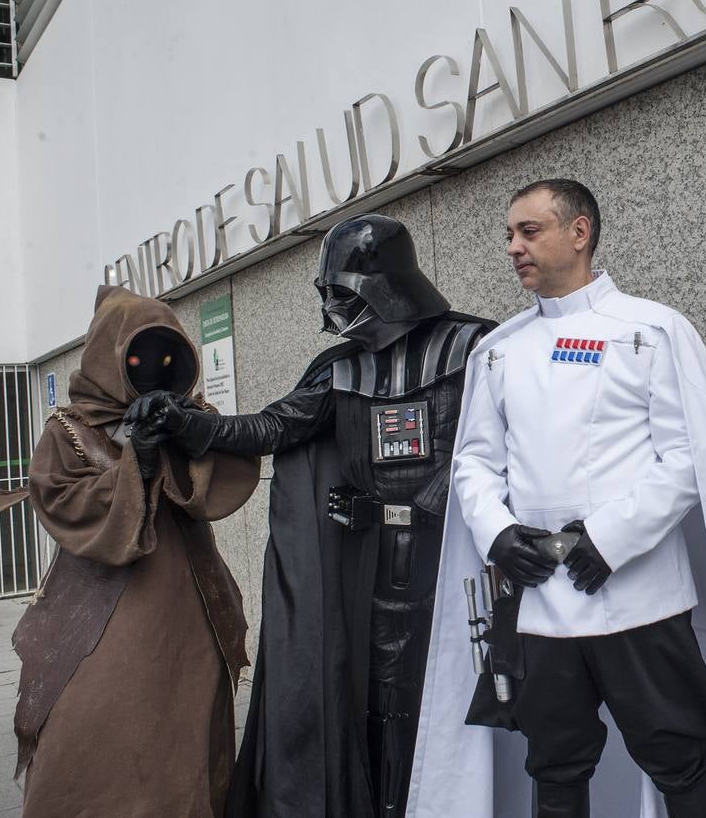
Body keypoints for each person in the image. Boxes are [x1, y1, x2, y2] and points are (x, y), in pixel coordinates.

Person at [407, 179, 706, 818]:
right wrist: (497, 534)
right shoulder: (498, 352)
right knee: (555, 763)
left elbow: (690, 457)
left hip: (640, 598)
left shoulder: (653, 330)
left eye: (529, 231)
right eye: (510, 235)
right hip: (541, 603)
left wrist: (611, 538)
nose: (514, 247)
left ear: (579, 233)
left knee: (679, 760)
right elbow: (475, 463)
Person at [134, 215, 492, 817]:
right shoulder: (340, 367)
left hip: (458, 559)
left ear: (385, 284)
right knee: (380, 699)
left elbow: (506, 442)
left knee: (455, 696)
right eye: (327, 294)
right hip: (373, 567)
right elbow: (275, 425)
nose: (332, 307)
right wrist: (186, 421)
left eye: (342, 292)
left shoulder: (477, 347)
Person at [13, 285, 259, 817]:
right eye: (137, 356)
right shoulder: (68, 429)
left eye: (165, 356)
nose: (151, 368)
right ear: (109, 354)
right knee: (86, 723)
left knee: (185, 727)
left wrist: (188, 434)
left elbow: (223, 482)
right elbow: (58, 500)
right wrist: (136, 465)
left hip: (187, 608)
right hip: (96, 606)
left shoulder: (191, 415)